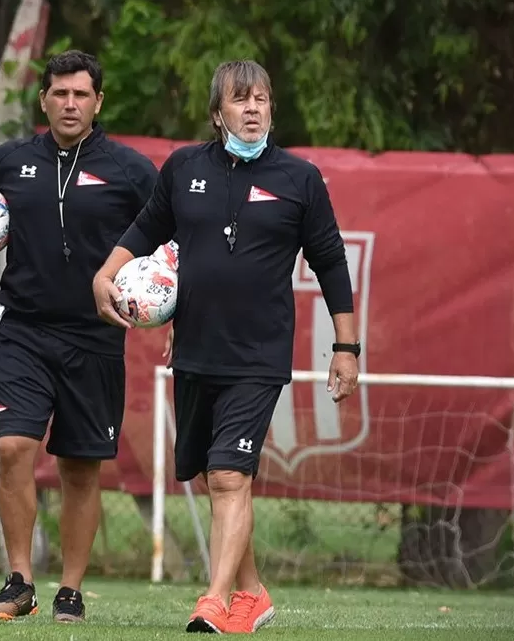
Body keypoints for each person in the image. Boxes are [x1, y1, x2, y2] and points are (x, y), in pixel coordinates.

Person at [92, 59, 360, 634]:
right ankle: (252, 591)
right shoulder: (185, 167)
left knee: (230, 476)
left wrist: (347, 345)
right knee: (209, 475)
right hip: (193, 350)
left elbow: (331, 262)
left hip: (259, 356)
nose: (254, 109)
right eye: (241, 100)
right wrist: (105, 274)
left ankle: (212, 601)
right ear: (219, 114)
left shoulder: (299, 179)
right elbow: (146, 227)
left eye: (262, 99)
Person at [0, 50, 158, 624]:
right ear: (43, 99)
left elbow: (170, 232)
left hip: (95, 337)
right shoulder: (13, 159)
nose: (70, 103)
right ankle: (19, 580)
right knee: (12, 447)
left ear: (98, 102)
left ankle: (70, 589)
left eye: (81, 94)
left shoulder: (129, 169)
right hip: (21, 327)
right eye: (59, 93)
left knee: (78, 466)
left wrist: (168, 300)